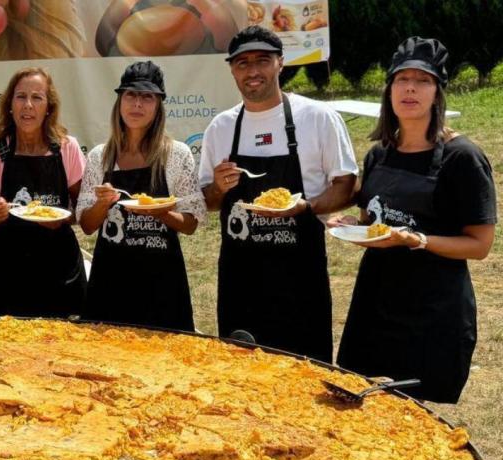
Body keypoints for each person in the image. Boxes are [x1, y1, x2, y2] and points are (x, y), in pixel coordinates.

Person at [334, 38, 496, 403]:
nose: (410, 88)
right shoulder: (379, 154)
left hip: (431, 311)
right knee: (365, 404)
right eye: (401, 79)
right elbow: (372, 224)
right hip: (374, 304)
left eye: (423, 80)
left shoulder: (463, 158)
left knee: (416, 418)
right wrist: (348, 228)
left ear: (437, 92)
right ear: (389, 90)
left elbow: (481, 245)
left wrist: (418, 240)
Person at [199, 26, 357, 361]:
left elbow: (347, 186)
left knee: (307, 375)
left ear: (281, 63)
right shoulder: (222, 127)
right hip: (240, 280)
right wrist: (218, 187)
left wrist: (306, 206)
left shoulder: (317, 118)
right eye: (242, 63)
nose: (252, 71)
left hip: (299, 279)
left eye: (262, 60)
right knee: (241, 378)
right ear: (231, 69)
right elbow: (210, 202)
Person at [78, 61, 205, 330]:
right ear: (120, 101)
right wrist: (102, 204)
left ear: (158, 105)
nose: (137, 104)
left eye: (147, 97)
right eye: (131, 95)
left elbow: (191, 223)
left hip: (162, 284)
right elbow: (88, 226)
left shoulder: (177, 155)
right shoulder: (100, 157)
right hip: (110, 281)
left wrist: (162, 212)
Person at [0, 67, 87, 318]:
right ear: (10, 105)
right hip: (7, 267)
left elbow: (82, 209)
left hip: (58, 263)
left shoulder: (66, 148)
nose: (28, 105)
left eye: (37, 97)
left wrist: (64, 218)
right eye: (21, 97)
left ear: (49, 107)